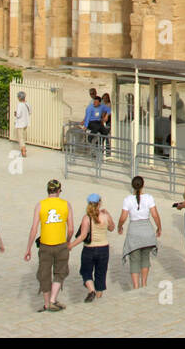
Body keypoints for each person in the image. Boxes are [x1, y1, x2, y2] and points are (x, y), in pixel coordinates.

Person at [25, 179, 73, 312]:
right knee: (60, 271)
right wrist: (68, 241)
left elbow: (34, 228)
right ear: (59, 191)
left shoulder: (40, 205)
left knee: (44, 274)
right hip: (60, 243)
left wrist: (28, 248)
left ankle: (46, 303)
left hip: (45, 245)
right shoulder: (66, 205)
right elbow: (71, 229)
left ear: (48, 191)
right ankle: (53, 299)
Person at [69, 193, 116, 302]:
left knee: (86, 272)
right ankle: (98, 299)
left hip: (89, 249)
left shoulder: (86, 218)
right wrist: (108, 214)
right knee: (101, 274)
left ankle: (91, 290)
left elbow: (83, 236)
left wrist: (71, 245)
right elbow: (112, 228)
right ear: (99, 203)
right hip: (104, 248)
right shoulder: (105, 216)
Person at [118, 176, 161, 289]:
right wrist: (159, 227)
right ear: (143, 185)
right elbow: (155, 215)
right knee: (145, 258)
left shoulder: (127, 199)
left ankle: (136, 286)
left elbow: (123, 217)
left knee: (134, 260)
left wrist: (120, 226)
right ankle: (144, 283)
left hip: (134, 232)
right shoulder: (149, 198)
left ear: (132, 185)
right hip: (147, 230)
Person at [14, 91, 31, 158]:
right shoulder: (27, 104)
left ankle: (23, 150)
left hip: (20, 123)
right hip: (26, 123)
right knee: (23, 137)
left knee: (20, 138)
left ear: (19, 98)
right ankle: (23, 148)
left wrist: (15, 114)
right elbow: (30, 112)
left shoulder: (20, 105)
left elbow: (18, 115)